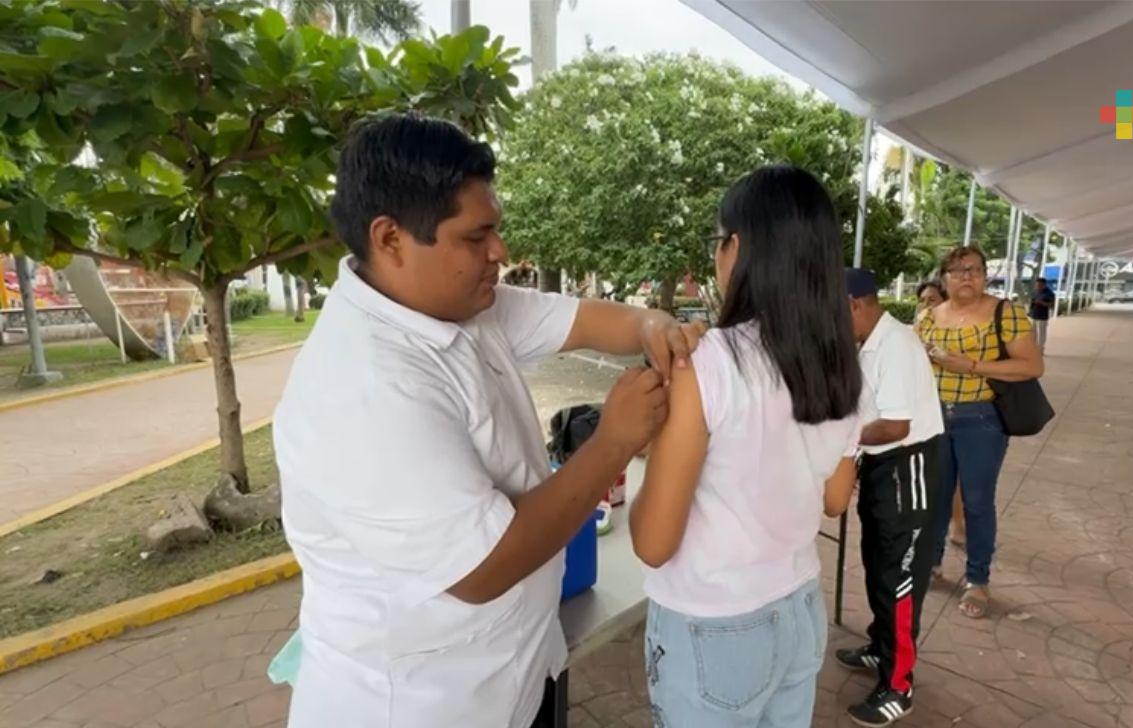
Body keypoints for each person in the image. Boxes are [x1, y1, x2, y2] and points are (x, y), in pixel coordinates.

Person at [273, 114, 704, 728]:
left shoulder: (463, 306)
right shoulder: (363, 388)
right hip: (425, 706)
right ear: (390, 239)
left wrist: (651, 326)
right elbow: (481, 569)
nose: (499, 253)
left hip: (509, 679)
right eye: (476, 239)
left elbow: (584, 319)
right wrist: (614, 441)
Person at [629, 166, 863, 727]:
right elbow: (835, 498)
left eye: (718, 241)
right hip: (799, 609)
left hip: (713, 625)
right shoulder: (842, 366)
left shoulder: (707, 364)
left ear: (738, 247)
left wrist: (647, 451)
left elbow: (653, 542)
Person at [835, 269, 946, 726]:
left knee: (899, 576)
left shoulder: (895, 345)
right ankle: (881, 647)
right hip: (883, 466)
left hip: (908, 467)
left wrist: (841, 439)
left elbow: (896, 426)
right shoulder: (870, 341)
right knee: (877, 560)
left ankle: (899, 684)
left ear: (854, 305)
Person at [917, 246, 1044, 618]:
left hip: (981, 417)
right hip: (934, 417)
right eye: (956, 271)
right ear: (944, 278)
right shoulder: (928, 315)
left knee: (976, 501)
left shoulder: (1006, 312)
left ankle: (977, 580)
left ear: (985, 274)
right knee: (936, 499)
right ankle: (932, 564)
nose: (965, 277)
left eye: (973, 269)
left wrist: (969, 365)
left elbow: (1032, 366)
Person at [916, 280, 965, 548]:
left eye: (932, 299)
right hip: (925, 407)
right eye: (922, 300)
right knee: (932, 475)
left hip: (951, 407)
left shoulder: (954, 328)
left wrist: (938, 355)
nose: (926, 305)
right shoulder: (920, 327)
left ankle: (958, 523)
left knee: (950, 475)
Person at [1029, 277, 1056, 351]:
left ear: (1044, 285)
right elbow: (1032, 301)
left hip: (1042, 316)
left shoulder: (1050, 293)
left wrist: (1042, 303)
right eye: (1036, 285)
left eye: (1039, 285)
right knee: (1033, 332)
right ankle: (1034, 347)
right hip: (1034, 315)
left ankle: (1041, 348)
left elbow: (1051, 304)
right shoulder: (1035, 292)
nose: (1037, 287)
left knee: (1041, 333)